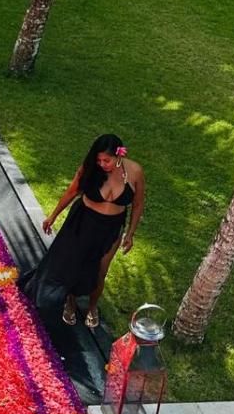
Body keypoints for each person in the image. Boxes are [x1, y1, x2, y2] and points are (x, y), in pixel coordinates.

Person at [19, 132, 145, 329]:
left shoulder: (135, 171)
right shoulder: (90, 169)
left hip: (111, 228)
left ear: (119, 155)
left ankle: (92, 307)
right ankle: (70, 303)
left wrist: (130, 233)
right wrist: (53, 216)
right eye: (99, 160)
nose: (102, 164)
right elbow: (72, 192)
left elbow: (138, 204)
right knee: (74, 265)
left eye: (107, 160)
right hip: (83, 222)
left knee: (100, 271)